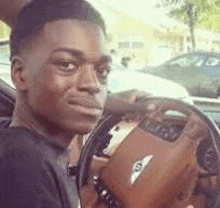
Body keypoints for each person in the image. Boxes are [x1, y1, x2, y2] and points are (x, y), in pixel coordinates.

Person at [0, 0, 151, 207]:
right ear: (20, 74)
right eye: (67, 64)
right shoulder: (25, 167)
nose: (93, 85)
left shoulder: (17, 143)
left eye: (102, 71)